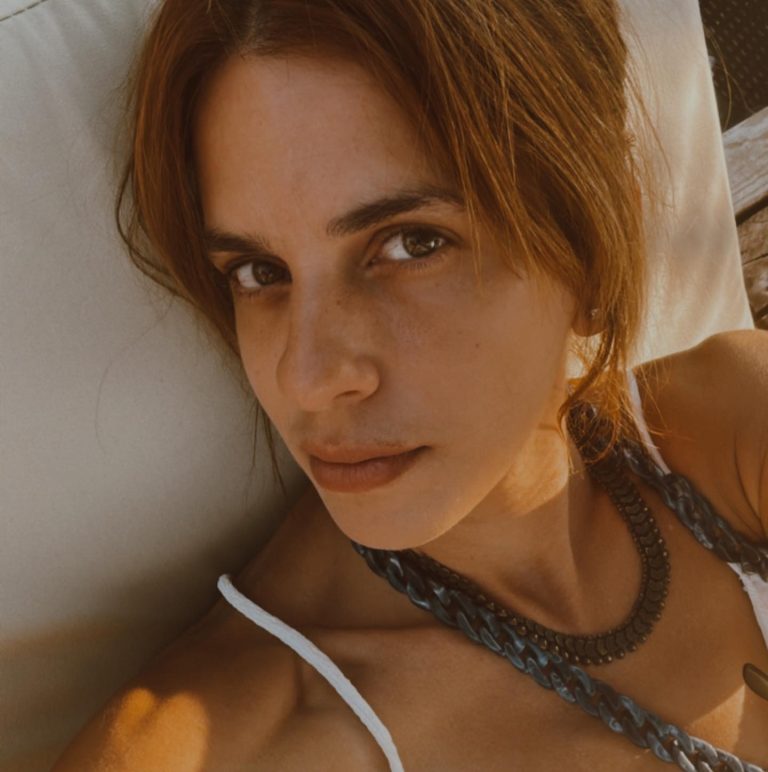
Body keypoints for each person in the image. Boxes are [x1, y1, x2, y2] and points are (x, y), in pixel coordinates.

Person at [53, 0, 768, 769]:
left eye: (412, 244)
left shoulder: (731, 436)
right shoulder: (220, 747)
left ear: (594, 240)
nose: (309, 378)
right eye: (259, 272)